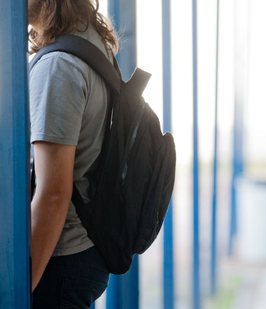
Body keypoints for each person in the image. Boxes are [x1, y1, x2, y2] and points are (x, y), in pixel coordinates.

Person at [28, 0, 118, 307]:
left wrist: (18, 290)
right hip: (81, 249)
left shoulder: (58, 66)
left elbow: (53, 193)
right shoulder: (89, 39)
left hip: (58, 259)